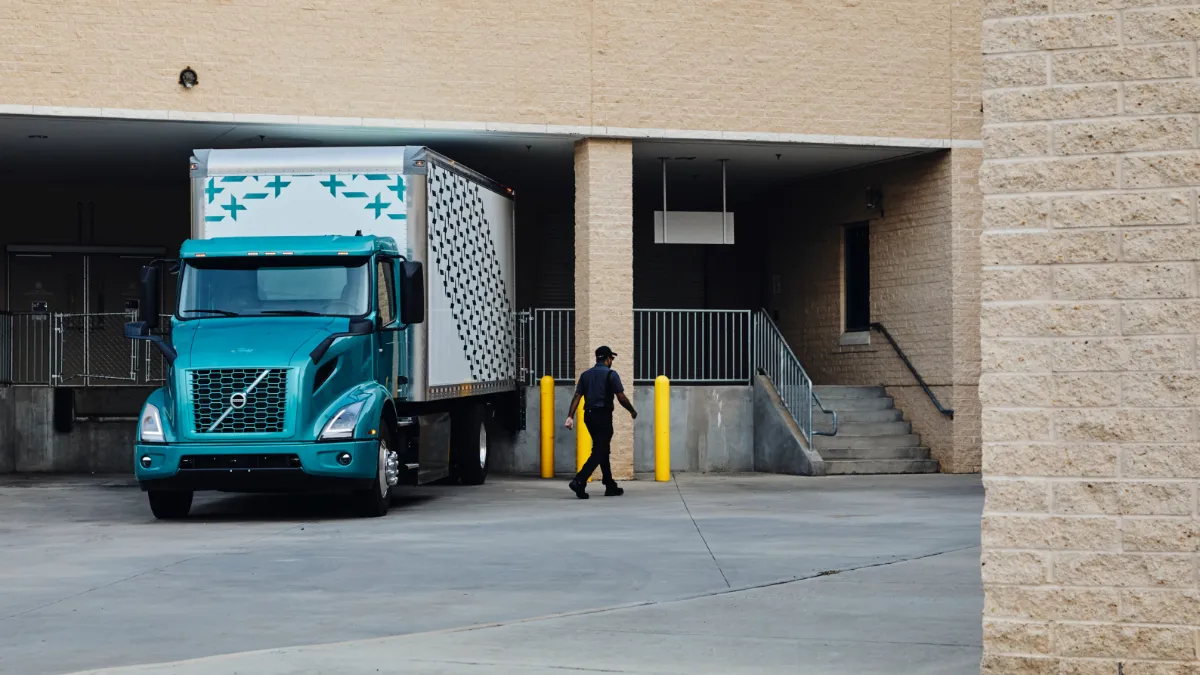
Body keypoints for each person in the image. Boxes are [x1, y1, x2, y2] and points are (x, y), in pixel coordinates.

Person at [565, 346, 637, 499]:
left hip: (589, 417)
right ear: (608, 359)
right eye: (612, 359)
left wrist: (570, 416)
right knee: (600, 450)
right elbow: (621, 397)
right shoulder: (611, 374)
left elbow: (577, 397)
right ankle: (579, 480)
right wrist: (631, 410)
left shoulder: (585, 375)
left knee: (602, 448)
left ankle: (609, 485)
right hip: (603, 416)